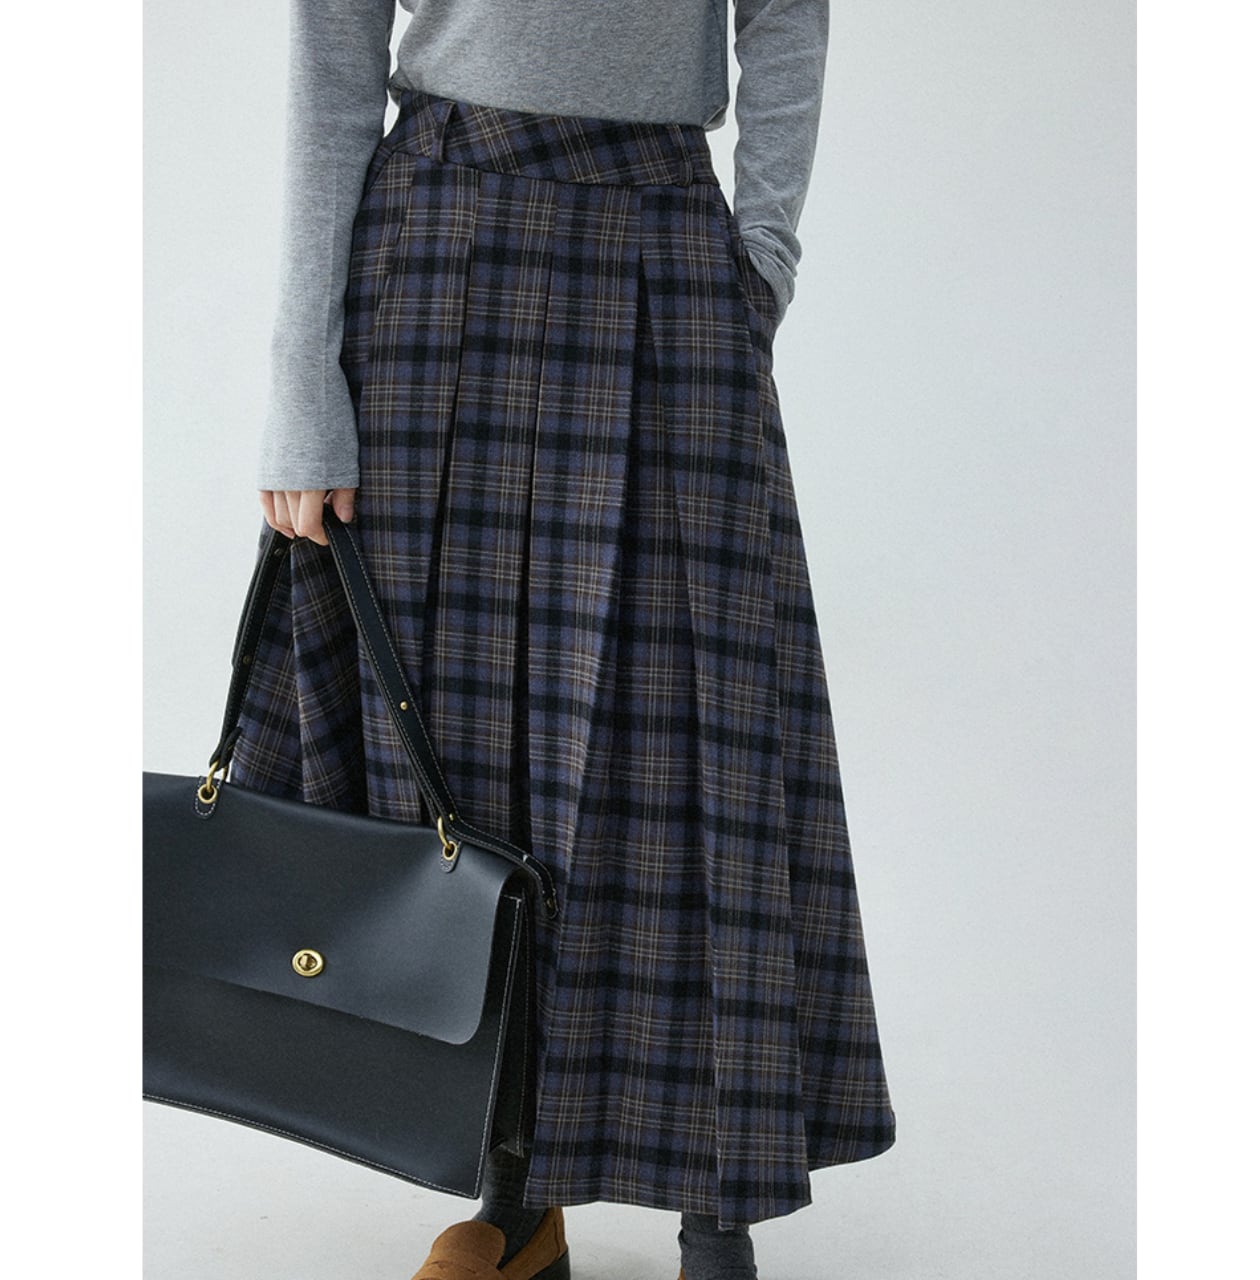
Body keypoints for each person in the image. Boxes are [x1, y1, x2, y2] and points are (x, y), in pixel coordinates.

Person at [236, 3, 896, 1278]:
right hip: (435, 235)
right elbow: (331, 56)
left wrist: (759, 256)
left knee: (687, 735)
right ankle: (513, 1192)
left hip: (662, 239)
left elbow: (784, 14)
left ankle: (716, 1203)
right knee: (457, 744)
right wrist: (299, 380)